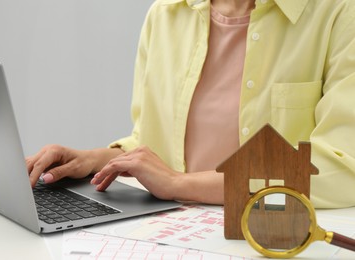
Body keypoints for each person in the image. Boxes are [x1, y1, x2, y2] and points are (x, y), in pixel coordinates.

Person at [27, 0, 355, 208]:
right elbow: (154, 145)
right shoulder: (164, 14)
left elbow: (342, 167)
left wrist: (180, 185)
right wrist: (93, 160)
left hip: (269, 239)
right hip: (173, 235)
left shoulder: (340, 12)